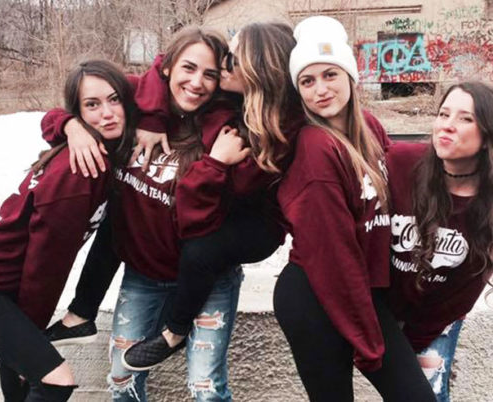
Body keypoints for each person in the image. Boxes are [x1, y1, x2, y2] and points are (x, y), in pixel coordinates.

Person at [41, 26, 246, 401]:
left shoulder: (225, 125)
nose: (196, 83)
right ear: (167, 67)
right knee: (121, 380)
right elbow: (71, 106)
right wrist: (72, 127)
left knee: (206, 388)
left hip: (209, 280)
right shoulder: (136, 102)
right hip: (144, 277)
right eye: (188, 68)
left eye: (209, 74)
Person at [121, 21, 304, 370]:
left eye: (232, 59)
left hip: (257, 223)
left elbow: (222, 197)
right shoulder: (227, 96)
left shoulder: (282, 126)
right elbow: (162, 66)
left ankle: (174, 331)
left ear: (258, 71)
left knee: (201, 249)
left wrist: (217, 162)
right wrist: (154, 117)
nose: (222, 64)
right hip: (216, 201)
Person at [272, 16, 436, 401]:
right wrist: (368, 340)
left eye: (330, 74)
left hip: (360, 289)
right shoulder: (316, 148)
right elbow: (333, 253)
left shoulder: (369, 128)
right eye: (307, 81)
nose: (321, 89)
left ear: (350, 75)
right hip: (316, 294)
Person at [0, 59, 135, 402]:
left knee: (21, 390)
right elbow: (46, 263)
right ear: (79, 113)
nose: (107, 113)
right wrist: (33, 329)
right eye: (92, 105)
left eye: (114, 100)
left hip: (1, 288)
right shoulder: (80, 173)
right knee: (55, 382)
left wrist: (68, 124)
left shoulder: (92, 153)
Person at [386, 81, 493, 401]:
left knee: (427, 393)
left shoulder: (488, 204)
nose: (447, 125)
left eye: (465, 118)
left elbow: (464, 292)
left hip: (437, 317)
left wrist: (415, 341)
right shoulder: (400, 162)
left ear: (487, 136)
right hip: (381, 307)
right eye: (444, 114)